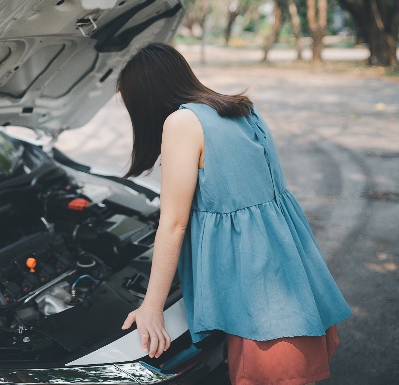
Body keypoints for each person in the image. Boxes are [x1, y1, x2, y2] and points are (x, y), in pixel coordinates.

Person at [118, 42, 352, 385]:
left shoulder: (182, 122)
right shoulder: (239, 110)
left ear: (145, 99)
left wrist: (151, 307)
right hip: (288, 264)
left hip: (254, 284)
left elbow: (174, 222)